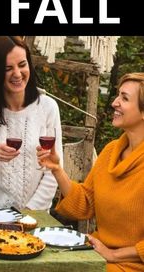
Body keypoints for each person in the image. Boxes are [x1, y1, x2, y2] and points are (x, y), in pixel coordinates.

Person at [37, 72, 144, 272]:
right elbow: (85, 202)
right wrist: (57, 170)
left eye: (125, 98)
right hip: (95, 255)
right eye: (117, 95)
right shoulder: (111, 151)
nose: (114, 103)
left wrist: (114, 254)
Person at [0, 36, 63, 211]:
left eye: (22, 64)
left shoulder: (48, 108)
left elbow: (52, 171)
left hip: (34, 218)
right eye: (8, 68)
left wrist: (27, 215)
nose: (17, 74)